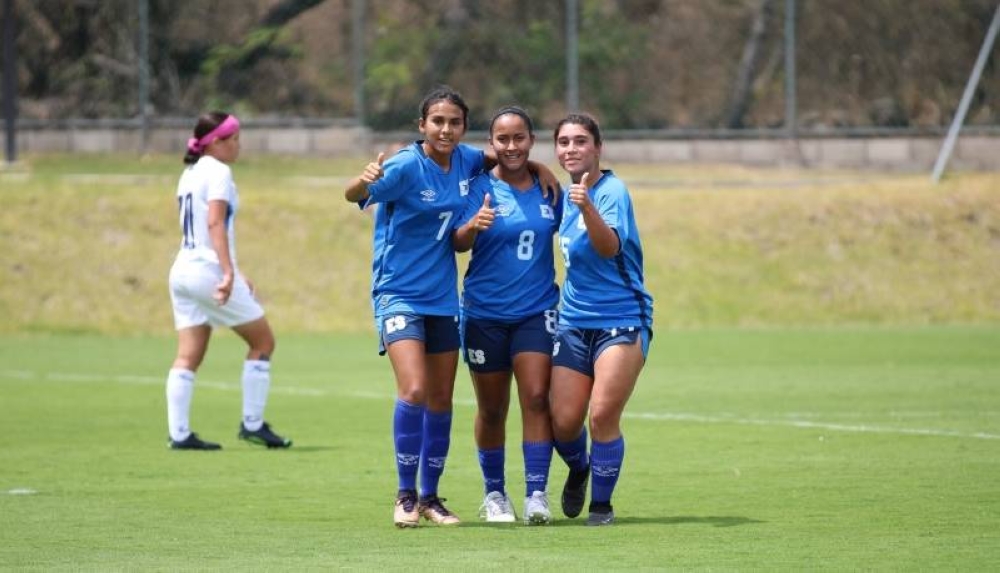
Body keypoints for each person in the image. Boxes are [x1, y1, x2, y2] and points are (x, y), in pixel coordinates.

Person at [344, 87, 558, 528]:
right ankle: (404, 494)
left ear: (463, 127)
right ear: (422, 125)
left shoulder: (465, 160)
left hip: (442, 297)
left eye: (454, 122)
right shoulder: (405, 164)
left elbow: (507, 154)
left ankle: (431, 498)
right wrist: (363, 180)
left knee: (442, 398)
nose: (445, 129)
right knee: (416, 390)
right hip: (399, 294)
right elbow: (352, 196)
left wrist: (540, 167)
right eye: (437, 121)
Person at [453, 106, 561, 525]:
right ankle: (494, 493)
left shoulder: (549, 189)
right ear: (491, 144)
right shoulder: (477, 187)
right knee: (492, 409)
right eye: (503, 139)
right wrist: (472, 226)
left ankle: (537, 493)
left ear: (532, 141)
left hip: (536, 311)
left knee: (536, 398)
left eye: (519, 138)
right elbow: (458, 244)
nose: (511, 146)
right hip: (484, 313)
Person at [548, 113, 653, 526]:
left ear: (597, 148)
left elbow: (609, 247)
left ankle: (602, 506)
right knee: (563, 422)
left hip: (622, 318)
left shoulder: (611, 192)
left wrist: (587, 205)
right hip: (573, 321)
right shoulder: (561, 195)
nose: (571, 149)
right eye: (563, 142)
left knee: (603, 415)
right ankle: (579, 468)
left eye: (580, 141)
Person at [165, 111, 292, 451]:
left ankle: (179, 433)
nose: (238, 146)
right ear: (216, 143)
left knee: (188, 355)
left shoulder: (189, 173)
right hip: (207, 271)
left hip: (183, 271)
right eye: (233, 139)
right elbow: (215, 223)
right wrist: (228, 272)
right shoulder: (219, 172)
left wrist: (234, 268)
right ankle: (252, 424)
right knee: (263, 342)